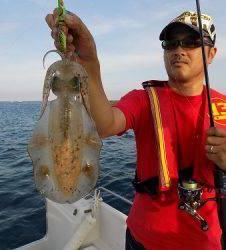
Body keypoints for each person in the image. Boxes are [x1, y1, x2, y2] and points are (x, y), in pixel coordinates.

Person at [46, 9, 226, 250]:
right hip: (144, 238)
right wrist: (89, 61)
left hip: (208, 242)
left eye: (192, 42)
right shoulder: (143, 100)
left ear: (211, 53)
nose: (179, 50)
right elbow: (104, 125)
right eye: (170, 43)